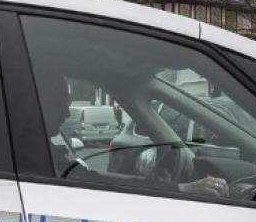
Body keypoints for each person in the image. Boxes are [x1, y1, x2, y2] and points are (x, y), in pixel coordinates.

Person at [37, 70, 228, 198]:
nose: (66, 113)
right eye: (58, 104)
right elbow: (94, 183)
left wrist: (173, 188)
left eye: (67, 105)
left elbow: (94, 181)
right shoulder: (34, 155)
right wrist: (181, 188)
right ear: (36, 101)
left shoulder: (38, 152)